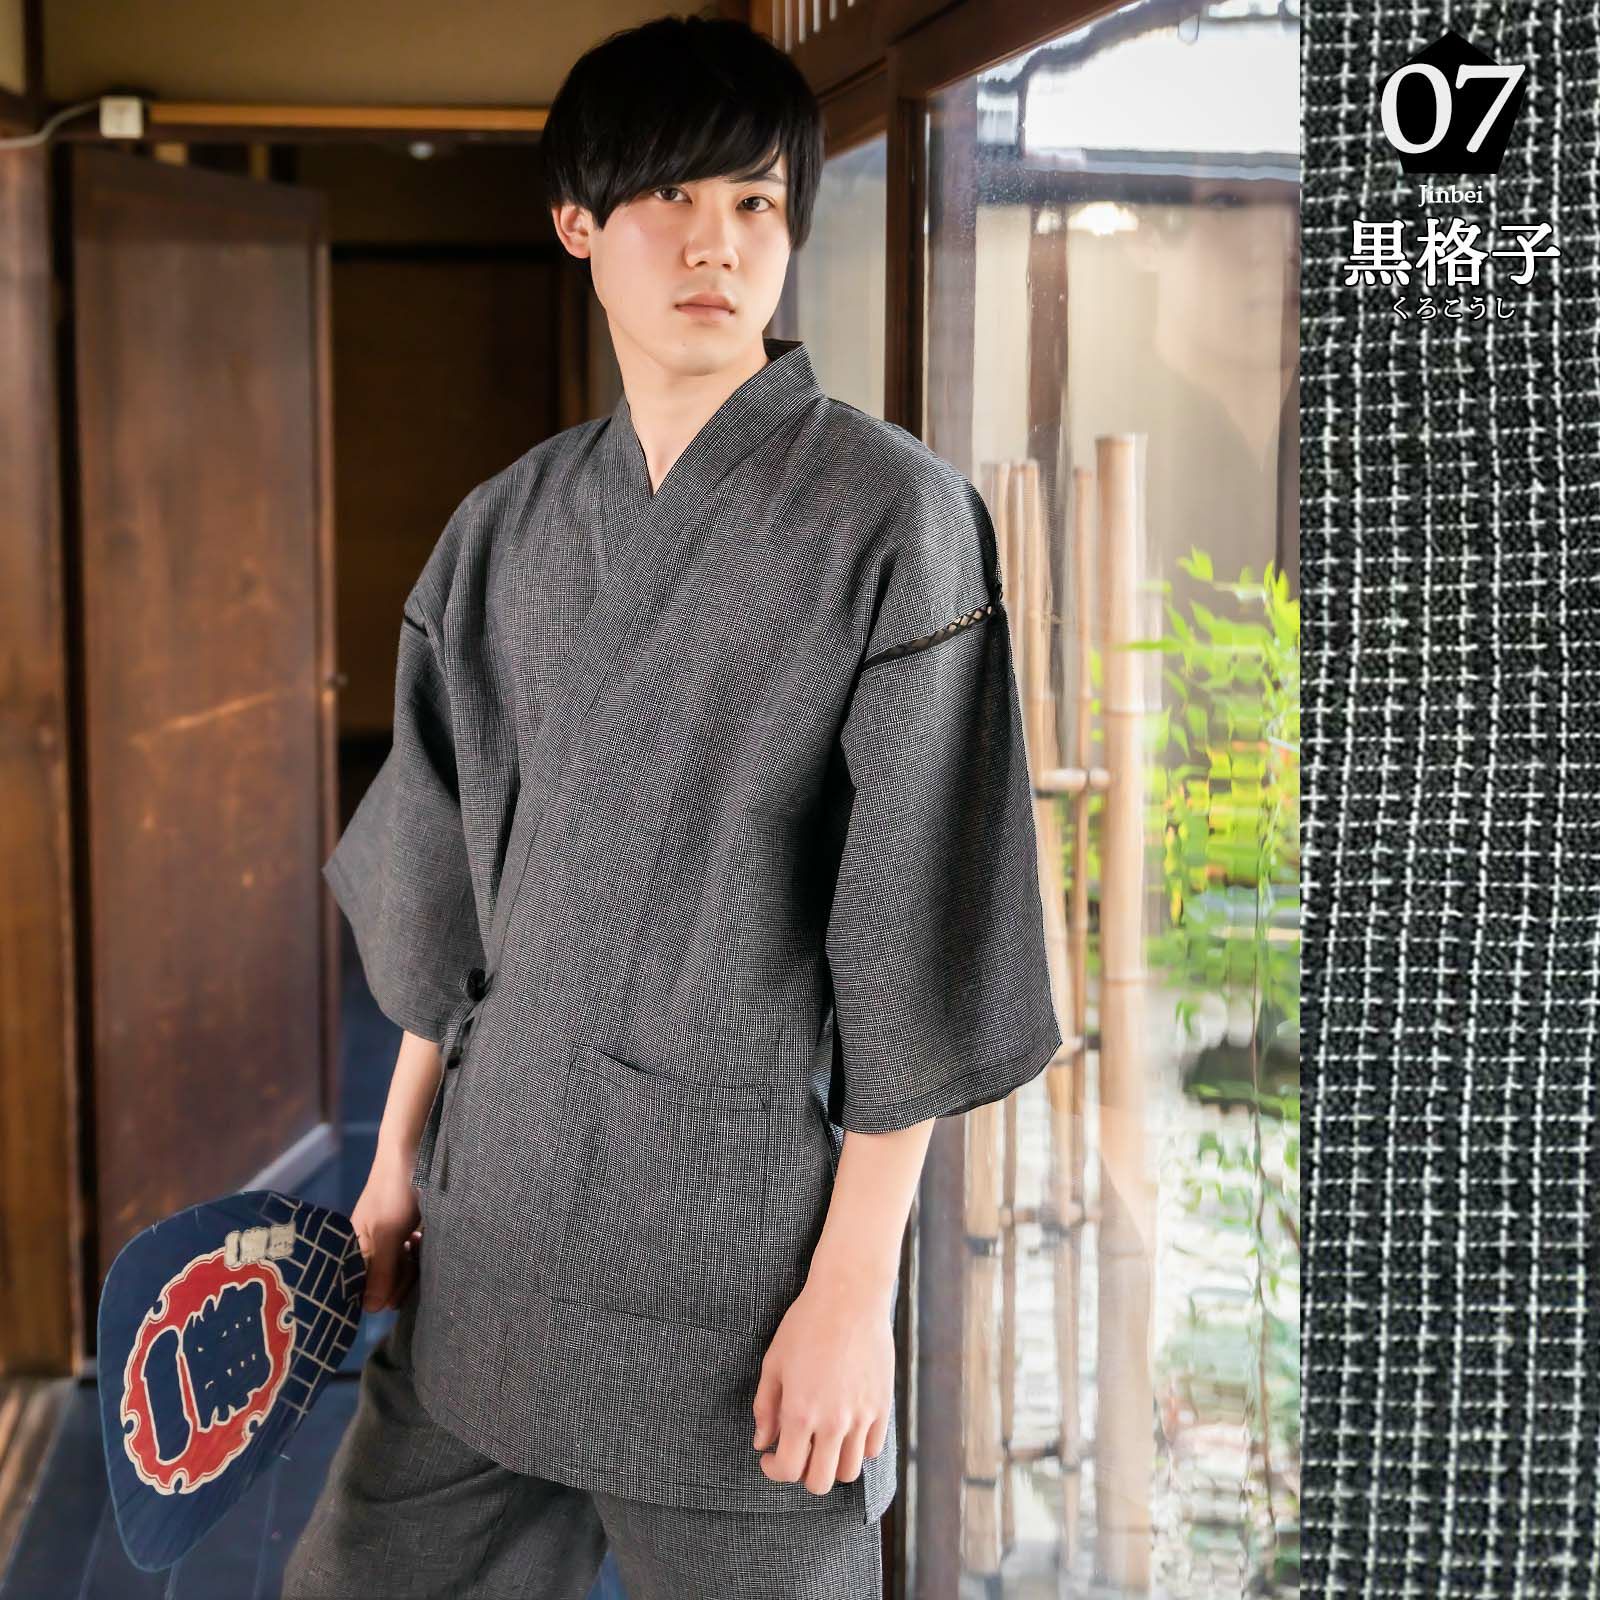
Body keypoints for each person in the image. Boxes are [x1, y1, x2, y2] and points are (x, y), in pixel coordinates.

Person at [283, 13, 1060, 1599]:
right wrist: (391, 1166)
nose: (719, 242)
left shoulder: (895, 522)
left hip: (734, 1277)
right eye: (672, 198)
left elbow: (915, 936)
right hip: (493, 1239)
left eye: (758, 202)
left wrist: (852, 1294)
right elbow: (442, 895)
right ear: (580, 222)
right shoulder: (503, 531)